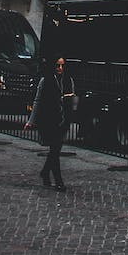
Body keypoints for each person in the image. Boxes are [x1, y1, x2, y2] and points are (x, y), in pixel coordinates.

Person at [25, 56, 75, 191]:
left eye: (62, 66)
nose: (60, 69)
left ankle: (45, 172)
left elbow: (72, 100)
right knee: (55, 149)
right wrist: (31, 120)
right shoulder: (45, 80)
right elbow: (38, 100)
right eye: (58, 66)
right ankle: (58, 180)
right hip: (48, 119)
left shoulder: (68, 81)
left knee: (55, 150)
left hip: (62, 120)